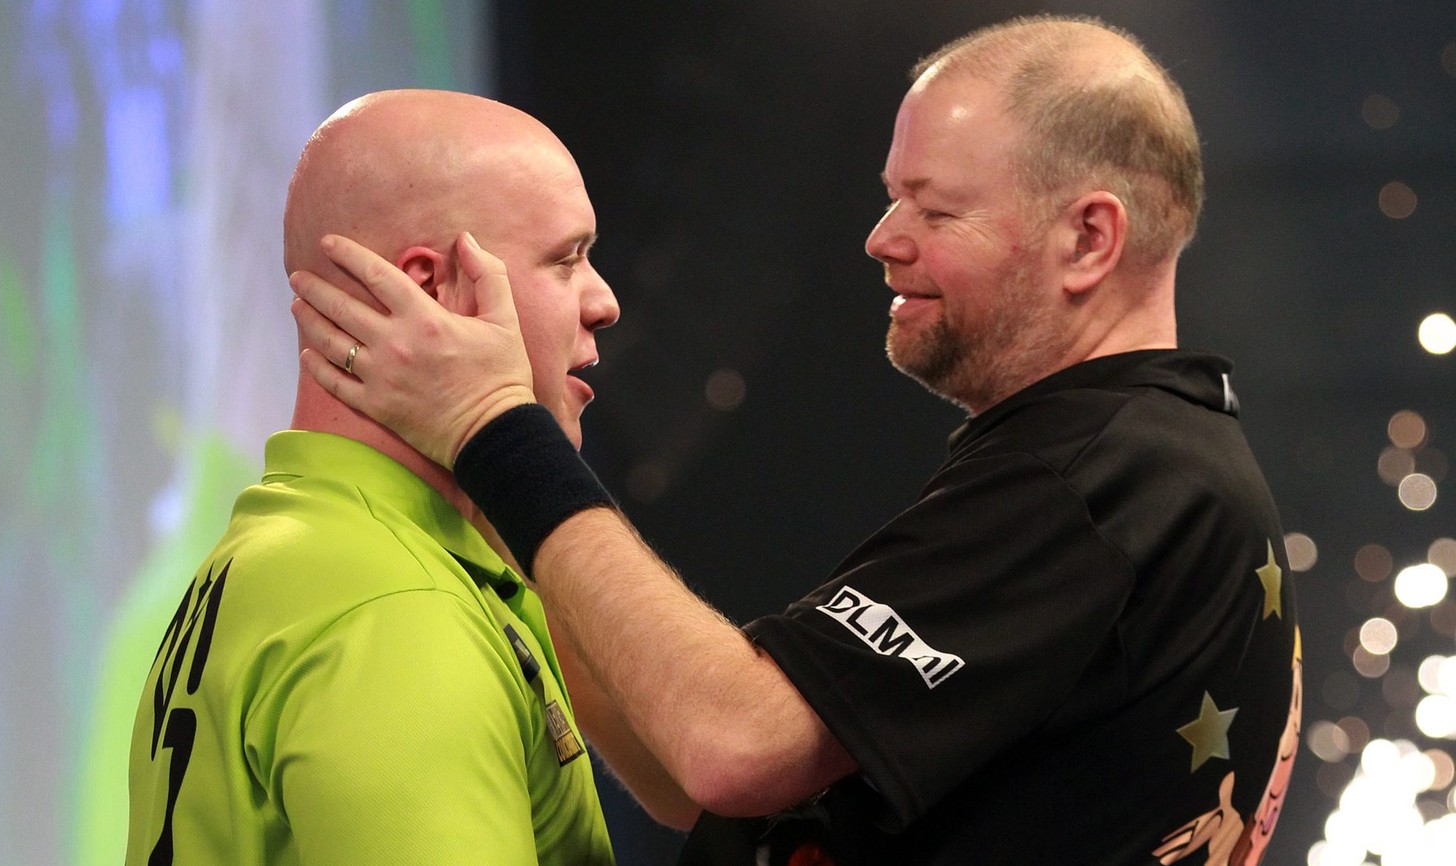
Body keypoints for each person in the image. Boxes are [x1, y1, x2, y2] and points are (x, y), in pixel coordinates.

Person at [289, 15, 1301, 865]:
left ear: (1090, 237)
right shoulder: (1144, 463)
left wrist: (497, 432)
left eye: (931, 205)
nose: (881, 236)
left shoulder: (1099, 478)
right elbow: (712, 786)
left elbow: (735, 743)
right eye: (891, 192)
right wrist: (508, 519)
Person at [124, 89, 622, 865]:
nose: (605, 301)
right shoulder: (395, 606)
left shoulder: (276, 557)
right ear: (428, 291)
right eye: (566, 259)